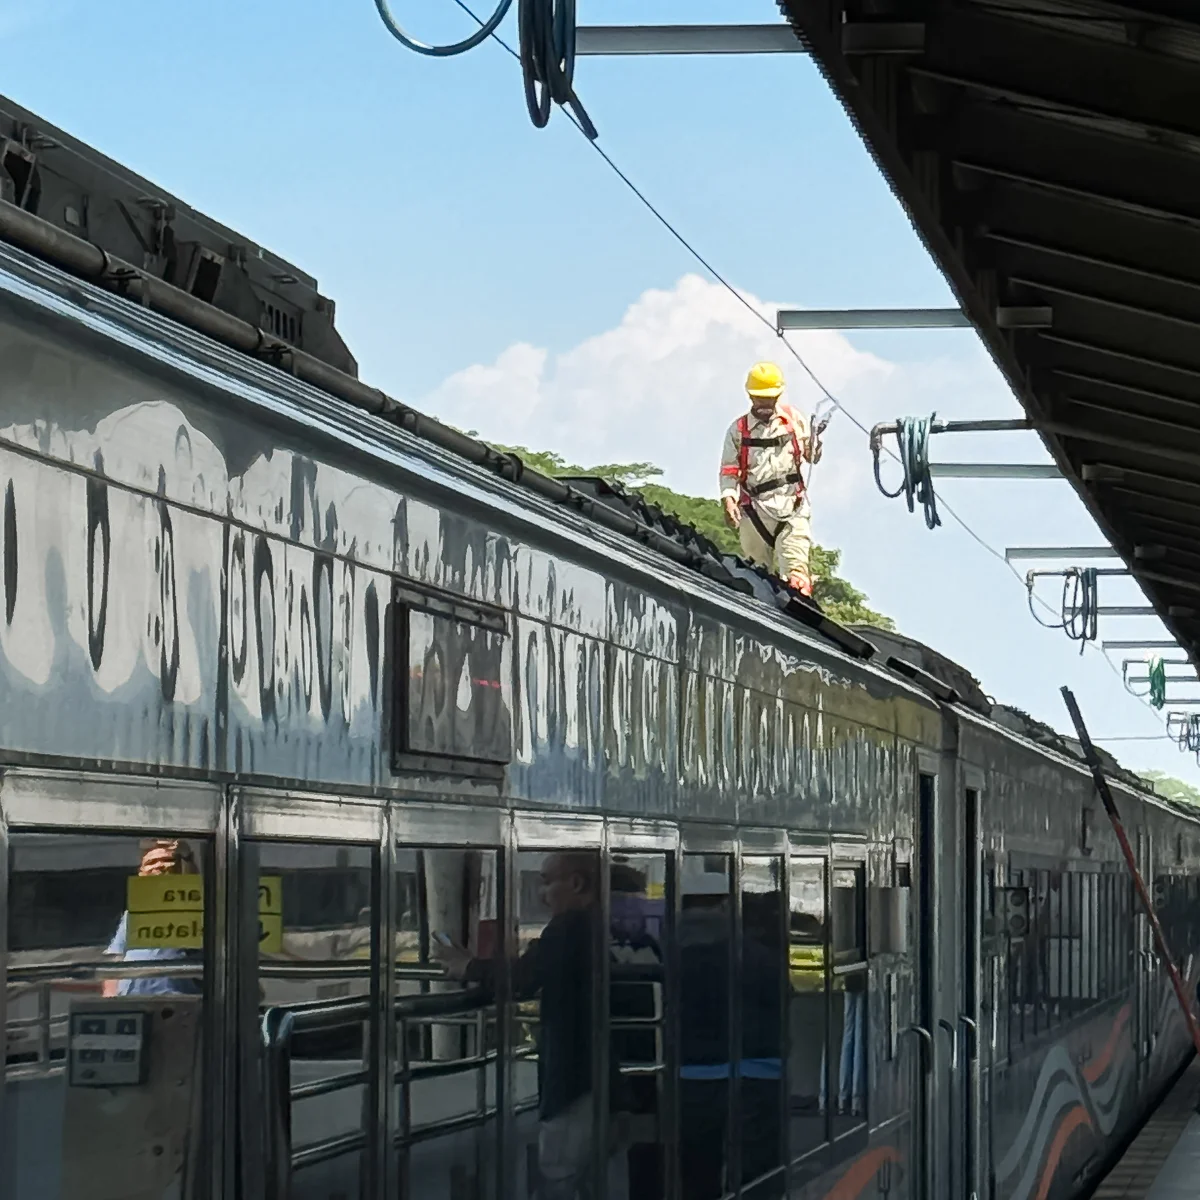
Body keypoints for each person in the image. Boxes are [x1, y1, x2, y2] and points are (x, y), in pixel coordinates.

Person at [438, 852, 609, 1200]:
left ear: (575, 883)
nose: (543, 894)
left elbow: (525, 977)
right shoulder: (596, 926)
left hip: (572, 1082)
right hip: (598, 1077)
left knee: (558, 1175)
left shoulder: (569, 928)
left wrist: (469, 967)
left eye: (547, 882)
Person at [719, 362, 822, 596]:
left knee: (797, 579)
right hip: (755, 511)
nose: (765, 404)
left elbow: (811, 455)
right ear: (749, 395)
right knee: (757, 578)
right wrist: (728, 499)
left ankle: (799, 612)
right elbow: (729, 470)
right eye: (760, 398)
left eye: (770, 398)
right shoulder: (738, 430)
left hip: (792, 506)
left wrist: (816, 446)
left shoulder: (794, 420)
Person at [103, 839, 203, 997]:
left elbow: (195, 887)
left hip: (176, 1001)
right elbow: (116, 957)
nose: (159, 868)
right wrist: (109, 997)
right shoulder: (137, 910)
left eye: (167, 862)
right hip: (131, 1001)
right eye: (153, 863)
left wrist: (186, 857)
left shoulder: (194, 909)